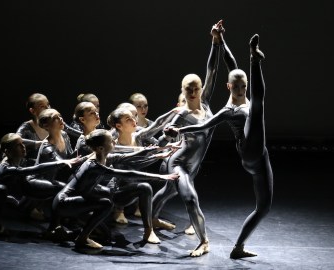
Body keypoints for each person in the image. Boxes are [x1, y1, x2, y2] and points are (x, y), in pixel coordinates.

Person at [166, 28, 273, 259]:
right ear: (229, 87)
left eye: (244, 86)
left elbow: (231, 63)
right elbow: (202, 126)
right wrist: (179, 129)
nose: (241, 89)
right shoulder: (228, 110)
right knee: (257, 106)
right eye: (237, 87)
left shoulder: (237, 93)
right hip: (250, 151)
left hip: (259, 155)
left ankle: (238, 247)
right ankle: (255, 60)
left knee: (263, 207)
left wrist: (220, 40)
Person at [151, 20, 223, 257]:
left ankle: (149, 221)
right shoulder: (180, 113)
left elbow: (212, 70)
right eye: (188, 89)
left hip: (194, 164)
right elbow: (157, 132)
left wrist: (215, 41)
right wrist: (160, 142)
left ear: (201, 89)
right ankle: (204, 242)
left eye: (196, 88)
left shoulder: (205, 105)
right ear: (182, 91)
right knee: (190, 198)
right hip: (180, 162)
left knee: (166, 192)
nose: (193, 92)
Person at [47, 129, 179, 249]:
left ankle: (75, 233)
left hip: (79, 200)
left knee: (107, 236)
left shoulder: (104, 157)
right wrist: (161, 176)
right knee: (106, 203)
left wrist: (163, 148)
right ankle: (82, 238)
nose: (115, 141)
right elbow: (128, 174)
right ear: (100, 148)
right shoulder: (93, 165)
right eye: (111, 141)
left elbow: (130, 156)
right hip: (65, 203)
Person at [107, 107, 178, 223]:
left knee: (164, 181)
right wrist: (153, 154)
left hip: (135, 182)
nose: (134, 120)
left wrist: (173, 111)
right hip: (119, 191)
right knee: (144, 186)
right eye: (128, 119)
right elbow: (133, 163)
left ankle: (152, 219)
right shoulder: (112, 144)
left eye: (133, 117)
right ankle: (119, 211)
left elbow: (156, 125)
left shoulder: (138, 136)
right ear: (119, 126)